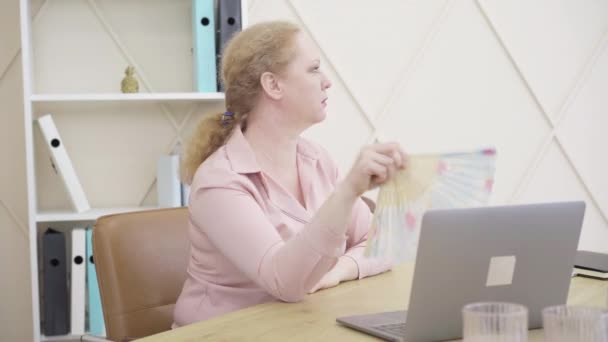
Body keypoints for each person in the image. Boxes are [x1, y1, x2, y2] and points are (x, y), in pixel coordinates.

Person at [173, 20, 407, 327]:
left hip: (299, 326)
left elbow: (384, 242)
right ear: (273, 85)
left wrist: (338, 271)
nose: (327, 81)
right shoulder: (219, 181)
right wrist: (348, 191)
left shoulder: (316, 159)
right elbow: (284, 282)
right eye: (313, 69)